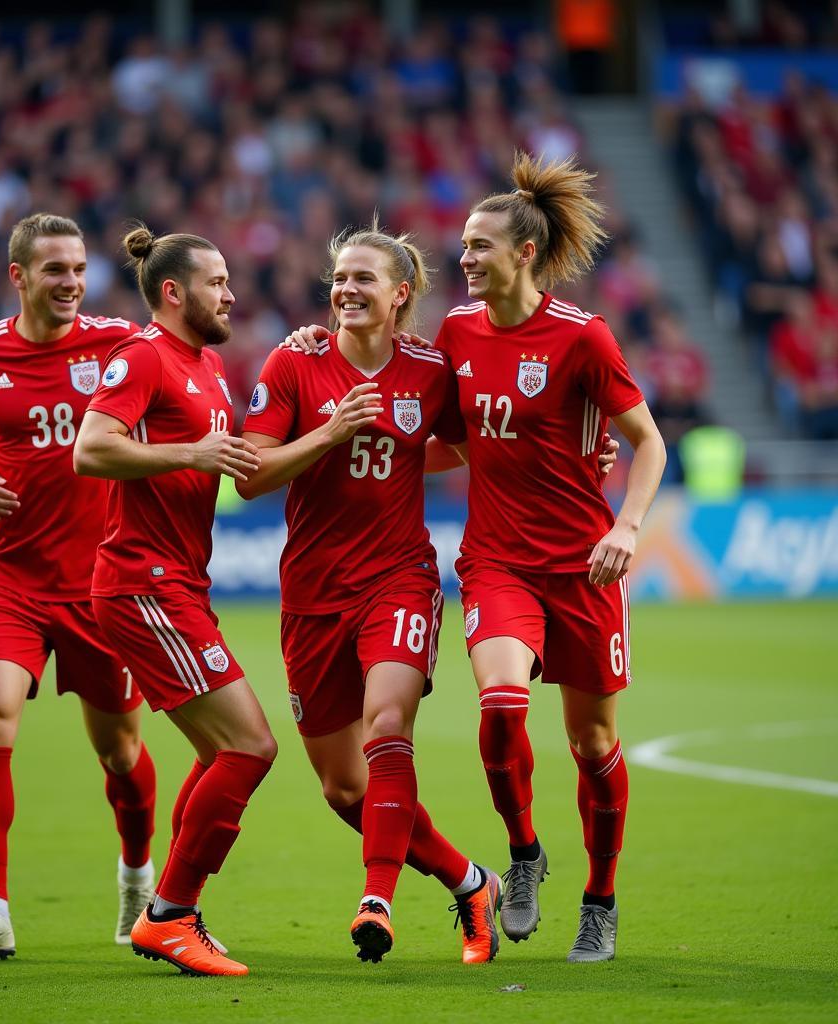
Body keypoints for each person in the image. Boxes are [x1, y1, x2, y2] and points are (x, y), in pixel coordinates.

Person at [236, 224, 503, 965]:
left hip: (399, 579)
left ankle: (375, 899)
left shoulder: (428, 368)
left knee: (389, 722)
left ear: (400, 295)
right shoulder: (295, 361)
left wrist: (586, 447)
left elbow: (477, 436)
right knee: (342, 788)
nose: (346, 290)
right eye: (339, 278)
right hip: (312, 595)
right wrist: (328, 433)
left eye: (363, 279)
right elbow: (250, 474)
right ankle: (470, 882)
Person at [434, 152, 665, 962]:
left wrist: (626, 527)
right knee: (500, 708)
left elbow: (649, 442)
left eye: (480, 246)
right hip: (495, 562)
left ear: (523, 253)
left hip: (583, 566)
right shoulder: (456, 331)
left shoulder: (582, 338)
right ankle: (524, 853)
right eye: (463, 244)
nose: (464, 258)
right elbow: (444, 440)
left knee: (594, 744)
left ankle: (600, 898)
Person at [0, 213, 157, 962]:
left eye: (78, 268)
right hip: (11, 577)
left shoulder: (119, 343)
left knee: (121, 753)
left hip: (101, 583)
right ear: (18, 277)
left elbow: (188, 357)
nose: (69, 282)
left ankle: (135, 876)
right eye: (54, 269)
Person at [73, 226, 276, 978]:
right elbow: (90, 449)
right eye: (218, 282)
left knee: (223, 751)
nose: (230, 294)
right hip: (141, 583)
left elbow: (235, 458)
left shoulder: (210, 365)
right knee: (251, 747)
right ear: (173, 292)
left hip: (181, 583)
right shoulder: (142, 356)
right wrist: (187, 452)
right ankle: (168, 916)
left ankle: (173, 910)